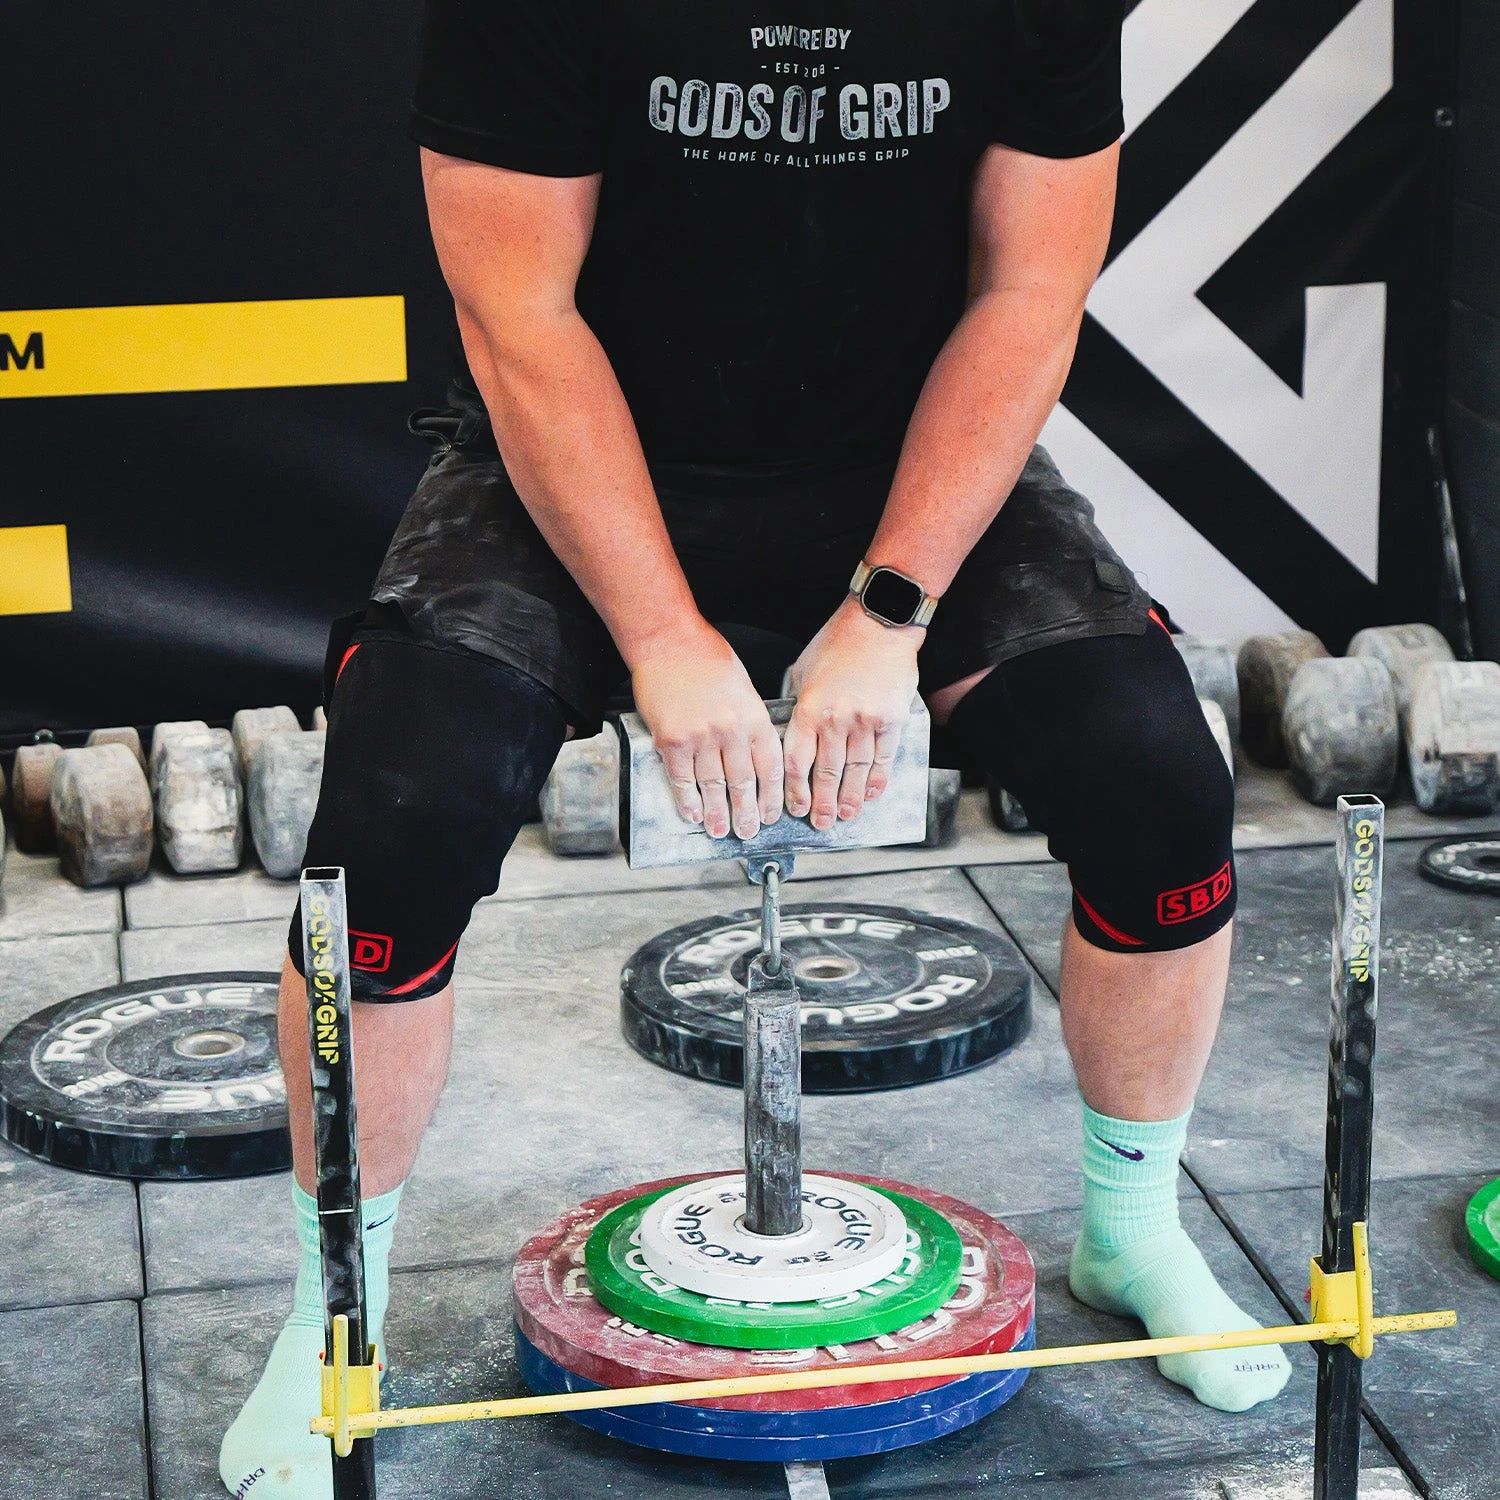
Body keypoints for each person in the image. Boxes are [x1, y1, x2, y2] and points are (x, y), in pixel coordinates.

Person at [220, 3, 1290, 1493]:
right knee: (400, 814)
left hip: (898, 458)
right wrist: (663, 635)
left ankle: (1135, 1226)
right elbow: (520, 318)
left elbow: (1030, 296)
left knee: (1154, 778)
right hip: (589, 452)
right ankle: (336, 1307)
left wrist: (891, 607)